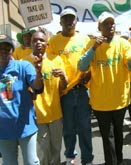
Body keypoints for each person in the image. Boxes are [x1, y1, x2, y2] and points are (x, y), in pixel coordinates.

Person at [78, 11, 131, 165]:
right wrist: (94, 48)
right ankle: (111, 162)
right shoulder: (91, 44)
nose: (110, 26)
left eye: (112, 23)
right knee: (108, 136)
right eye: (106, 23)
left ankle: (118, 160)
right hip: (100, 102)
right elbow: (81, 66)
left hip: (120, 100)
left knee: (118, 134)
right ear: (99, 27)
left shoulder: (123, 43)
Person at [46, 8, 93, 165]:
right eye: (65, 18)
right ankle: (70, 156)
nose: (69, 21)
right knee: (68, 129)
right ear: (60, 22)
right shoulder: (53, 42)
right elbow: (49, 64)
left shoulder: (85, 39)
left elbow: (91, 61)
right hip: (63, 93)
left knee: (85, 128)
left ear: (76, 21)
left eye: (72, 18)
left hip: (82, 90)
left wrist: (89, 74)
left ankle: (87, 159)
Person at [0, 34, 44, 164]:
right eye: (0, 48)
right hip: (4, 130)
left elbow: (37, 88)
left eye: (7, 48)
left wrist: (39, 72)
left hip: (26, 126)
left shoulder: (23, 67)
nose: (3, 52)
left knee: (31, 162)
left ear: (12, 51)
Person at [31, 31, 67, 165]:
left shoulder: (56, 60)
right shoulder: (24, 63)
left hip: (55, 114)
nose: (38, 43)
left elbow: (62, 87)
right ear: (30, 43)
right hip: (36, 116)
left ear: (47, 43)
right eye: (35, 40)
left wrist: (63, 77)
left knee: (56, 149)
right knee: (43, 152)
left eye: (41, 40)